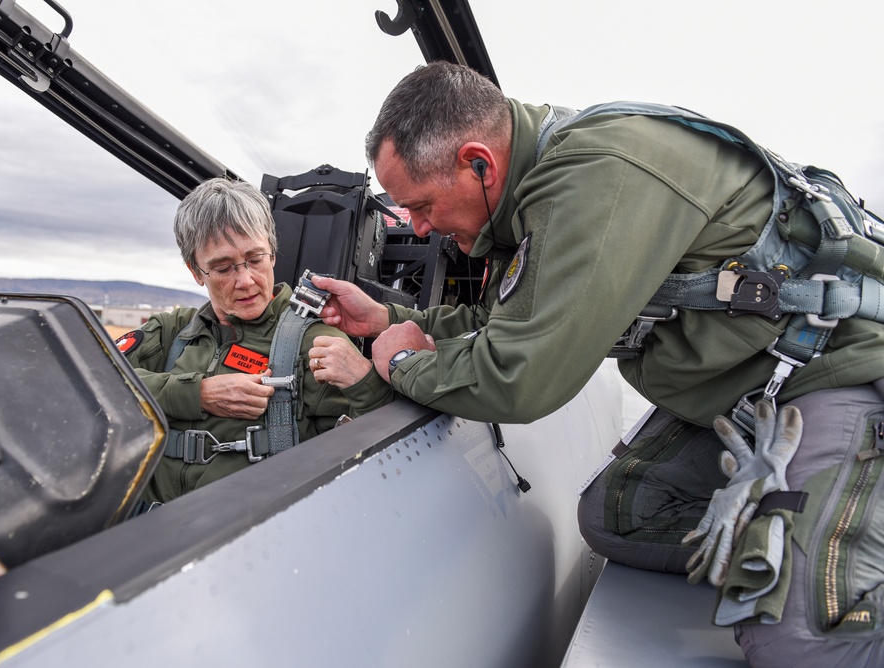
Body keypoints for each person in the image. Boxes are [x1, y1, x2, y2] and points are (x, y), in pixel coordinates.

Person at [309, 61, 884, 666]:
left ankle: (833, 534)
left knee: (805, 642)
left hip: (833, 375)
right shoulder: (537, 199)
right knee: (621, 512)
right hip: (749, 396)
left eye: (421, 205)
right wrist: (387, 322)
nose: (418, 227)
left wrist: (401, 365)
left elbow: (519, 377)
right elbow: (507, 326)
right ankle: (811, 527)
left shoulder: (593, 176)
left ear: (479, 163)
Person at [117, 177, 393, 507]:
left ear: (273, 254)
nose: (245, 280)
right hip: (141, 528)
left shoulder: (313, 343)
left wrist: (364, 381)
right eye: (223, 268)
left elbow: (384, 443)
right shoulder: (171, 332)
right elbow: (92, 384)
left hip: (239, 536)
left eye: (255, 259)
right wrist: (198, 394)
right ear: (195, 271)